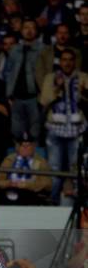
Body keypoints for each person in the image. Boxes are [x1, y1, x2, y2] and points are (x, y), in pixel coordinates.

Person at [39, 49, 88, 204]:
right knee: (54, 170)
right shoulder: (50, 78)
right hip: (55, 129)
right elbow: (44, 101)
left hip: (76, 129)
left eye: (70, 59)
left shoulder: (84, 77)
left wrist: (84, 94)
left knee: (76, 169)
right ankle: (52, 203)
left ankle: (78, 204)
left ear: (74, 62)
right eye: (64, 59)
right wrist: (57, 89)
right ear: (60, 62)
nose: (67, 63)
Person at [0, 134, 52, 205]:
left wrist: (26, 185)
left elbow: (46, 184)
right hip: (10, 190)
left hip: (31, 193)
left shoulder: (41, 162)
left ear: (33, 147)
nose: (25, 148)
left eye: (28, 145)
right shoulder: (9, 159)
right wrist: (9, 183)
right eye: (22, 145)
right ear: (17, 147)